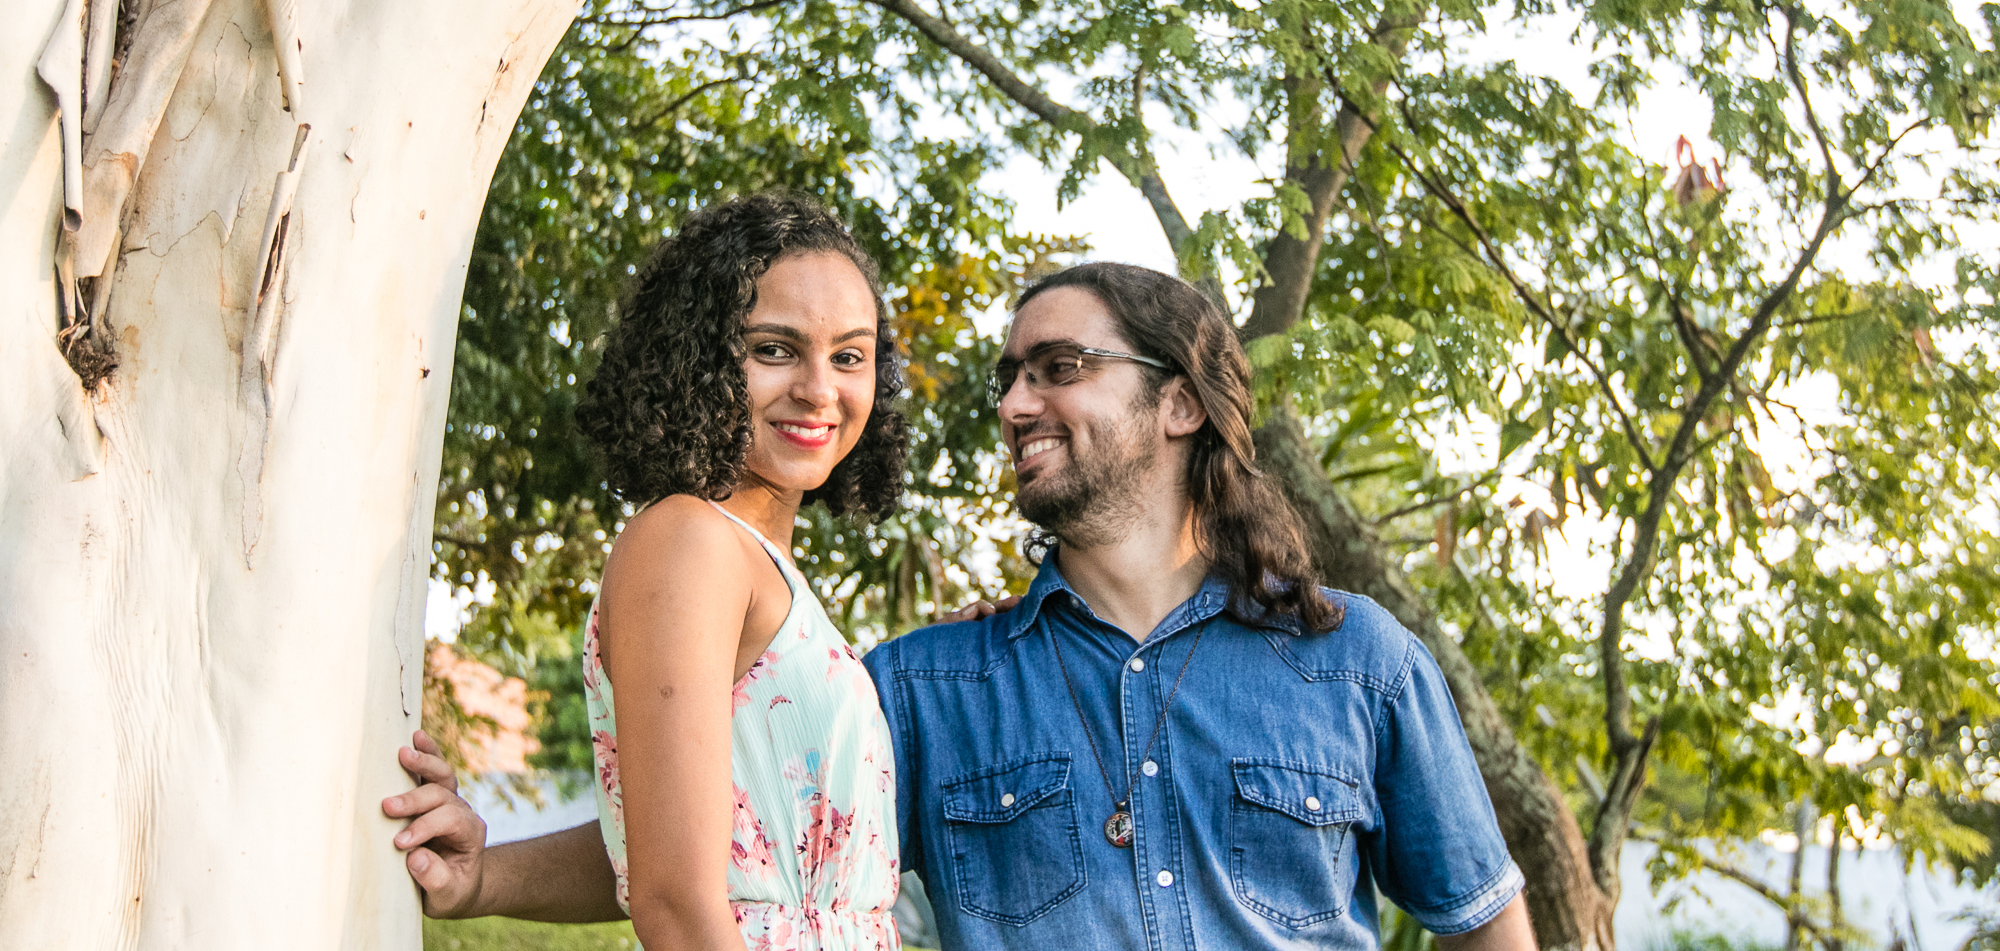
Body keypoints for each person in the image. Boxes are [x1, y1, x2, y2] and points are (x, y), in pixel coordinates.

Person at [386, 260, 1537, 951]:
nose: (1013, 403)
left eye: (1057, 368)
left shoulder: (1358, 663)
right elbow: (731, 835)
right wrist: (488, 873)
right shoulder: (927, 688)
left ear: (1178, 404)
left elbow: (1484, 918)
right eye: (1008, 377)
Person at [392, 193, 911, 949]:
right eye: (774, 348)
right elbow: (676, 906)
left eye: (849, 355)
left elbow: (699, 854)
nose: (819, 388)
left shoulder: (756, 559)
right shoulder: (690, 540)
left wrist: (484, 877)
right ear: (700, 357)